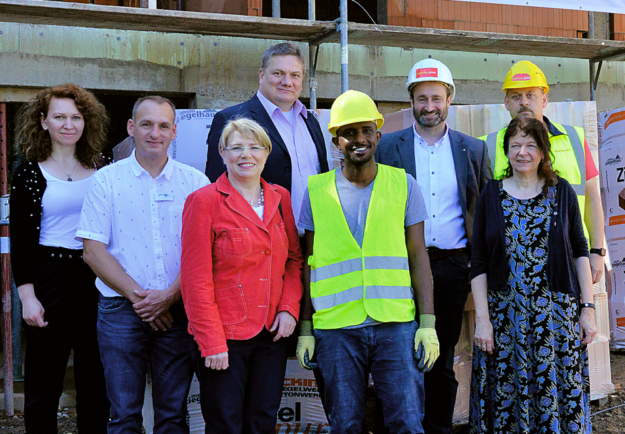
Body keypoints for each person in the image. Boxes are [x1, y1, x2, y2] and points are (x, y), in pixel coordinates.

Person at [296, 90, 440, 433]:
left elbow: (418, 255)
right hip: (336, 329)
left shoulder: (403, 185)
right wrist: (306, 328)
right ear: (336, 140)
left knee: (406, 422)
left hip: (395, 324)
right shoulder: (316, 191)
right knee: (345, 425)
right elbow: (308, 263)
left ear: (378, 133)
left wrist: (428, 323)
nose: (358, 140)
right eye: (349, 133)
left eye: (365, 131)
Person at [77, 96, 209, 433]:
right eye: (147, 124)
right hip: (120, 312)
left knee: (172, 416)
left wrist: (169, 296)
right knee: (123, 416)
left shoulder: (196, 183)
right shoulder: (106, 180)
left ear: (175, 131)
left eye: (164, 125)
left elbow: (207, 251)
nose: (155, 133)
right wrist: (144, 300)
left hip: (178, 312)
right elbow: (93, 250)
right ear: (131, 128)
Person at [376, 58, 492, 434]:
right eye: (422, 98)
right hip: (400, 265)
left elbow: (485, 212)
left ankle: (438, 428)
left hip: (453, 267)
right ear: (411, 100)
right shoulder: (388, 148)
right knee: (396, 356)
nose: (429, 106)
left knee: (439, 356)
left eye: (436, 98)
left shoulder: (471, 150)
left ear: (450, 99)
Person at [470, 117, 597, 433]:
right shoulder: (491, 195)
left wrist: (588, 309)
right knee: (506, 397)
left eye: (530, 145)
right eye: (515, 145)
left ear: (543, 151)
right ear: (506, 151)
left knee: (555, 393)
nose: (522, 152)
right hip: (504, 318)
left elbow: (580, 250)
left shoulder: (562, 192)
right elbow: (479, 260)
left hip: (555, 318)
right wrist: (483, 320)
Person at [181, 117, 303, 434]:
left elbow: (293, 259)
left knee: (263, 421)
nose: (245, 154)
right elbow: (195, 279)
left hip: (271, 335)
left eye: (254, 146)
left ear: (266, 153)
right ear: (223, 153)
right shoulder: (203, 201)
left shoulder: (281, 198)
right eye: (236, 147)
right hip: (224, 337)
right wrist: (211, 342)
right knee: (225, 425)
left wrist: (289, 308)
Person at [10, 83, 110, 433]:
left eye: (76, 117)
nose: (69, 124)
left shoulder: (104, 165)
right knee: (43, 382)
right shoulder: (28, 172)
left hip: (96, 276)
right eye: (60, 117)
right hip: (49, 277)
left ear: (86, 122)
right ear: (43, 121)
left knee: (96, 379)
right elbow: (21, 239)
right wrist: (28, 296)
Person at [482, 60, 605, 284]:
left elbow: (592, 198)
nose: (524, 103)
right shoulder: (487, 146)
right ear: (506, 102)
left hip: (571, 258)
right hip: (512, 263)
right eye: (516, 96)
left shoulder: (575, 139)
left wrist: (597, 251)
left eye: (531, 95)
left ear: (545, 99)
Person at [205, 42, 329, 234]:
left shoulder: (311, 121)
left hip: (315, 238)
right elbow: (218, 188)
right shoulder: (231, 120)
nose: (287, 82)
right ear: (262, 75)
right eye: (278, 73)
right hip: (261, 241)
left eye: (295, 75)